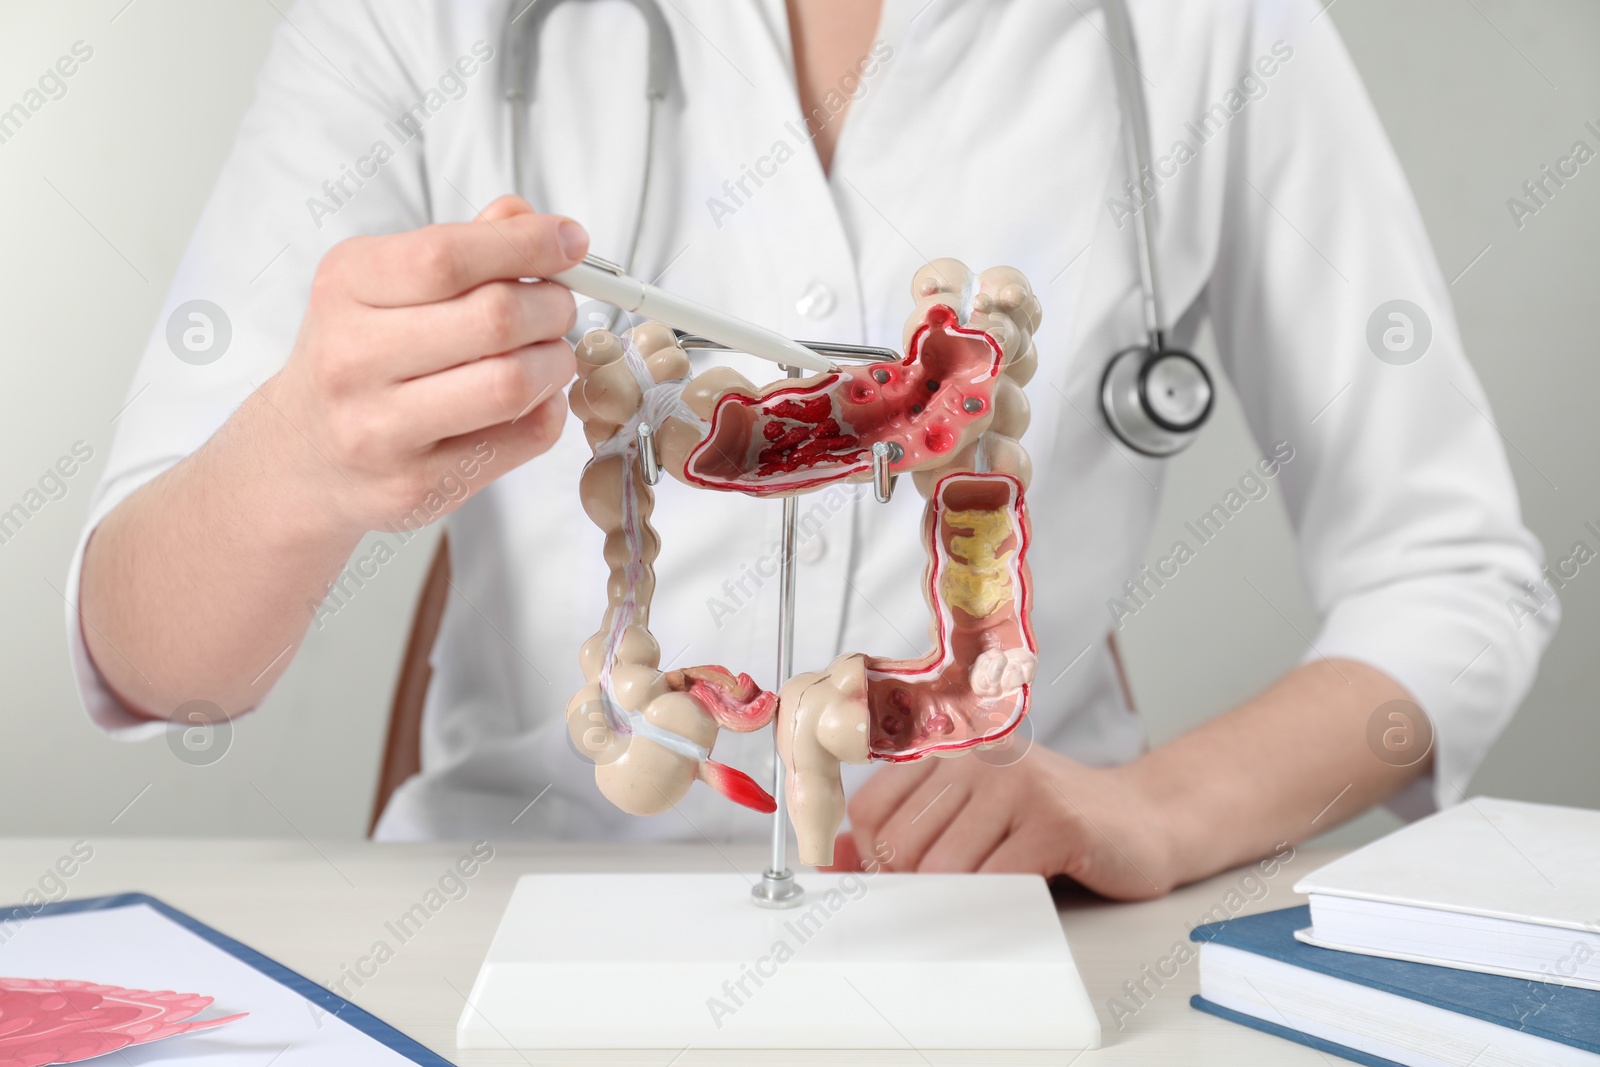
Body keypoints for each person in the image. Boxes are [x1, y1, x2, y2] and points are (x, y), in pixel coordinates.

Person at [69, 0, 1554, 899]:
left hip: (1014, 930)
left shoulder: (1206, 28)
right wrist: (298, 459)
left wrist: (1155, 808)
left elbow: (1458, 576)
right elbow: (157, 661)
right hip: (500, 931)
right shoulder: (416, 24)